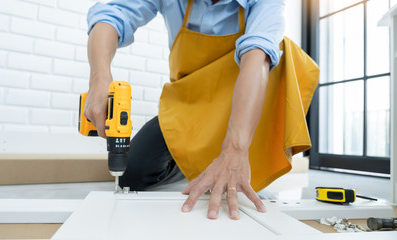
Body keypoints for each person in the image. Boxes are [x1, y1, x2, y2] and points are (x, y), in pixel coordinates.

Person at [84, 0, 318, 220]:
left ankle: (236, 153)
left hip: (245, 101)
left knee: (274, 51)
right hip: (190, 102)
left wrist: (236, 149)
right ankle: (197, 164)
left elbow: (257, 57)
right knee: (132, 173)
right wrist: (99, 79)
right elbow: (111, 16)